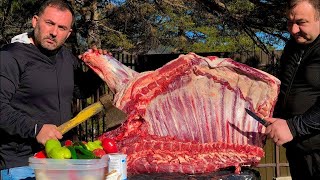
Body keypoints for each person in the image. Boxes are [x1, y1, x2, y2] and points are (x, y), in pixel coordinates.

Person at [0, 0, 106, 179]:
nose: (54, 32)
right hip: (21, 165)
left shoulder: (66, 58)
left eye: (62, 27)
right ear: (35, 21)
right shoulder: (11, 57)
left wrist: (101, 70)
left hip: (60, 160)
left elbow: (79, 91)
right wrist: (35, 129)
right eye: (49, 23)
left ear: (69, 33)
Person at [264, 0, 320, 179]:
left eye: (301, 22)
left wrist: (294, 127)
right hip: (298, 153)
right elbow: (285, 90)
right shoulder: (291, 47)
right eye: (289, 22)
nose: (293, 30)